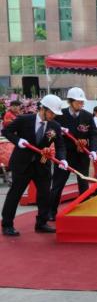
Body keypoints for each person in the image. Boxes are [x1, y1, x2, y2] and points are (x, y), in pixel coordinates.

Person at [2, 95, 67, 236]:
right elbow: (6, 131)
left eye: (55, 113)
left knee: (45, 194)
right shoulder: (24, 119)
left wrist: (63, 159)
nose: (53, 116)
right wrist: (17, 140)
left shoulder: (55, 126)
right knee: (15, 193)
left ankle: (41, 223)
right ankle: (7, 224)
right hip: (22, 163)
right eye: (51, 112)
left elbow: (60, 146)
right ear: (43, 109)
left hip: (42, 164)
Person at [49, 87, 97, 221]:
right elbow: (51, 132)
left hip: (82, 155)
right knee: (58, 184)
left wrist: (93, 149)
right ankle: (51, 212)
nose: (81, 104)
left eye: (82, 102)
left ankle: (84, 210)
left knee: (83, 183)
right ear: (70, 101)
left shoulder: (87, 116)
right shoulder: (60, 115)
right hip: (64, 155)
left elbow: (93, 134)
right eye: (78, 102)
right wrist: (58, 130)